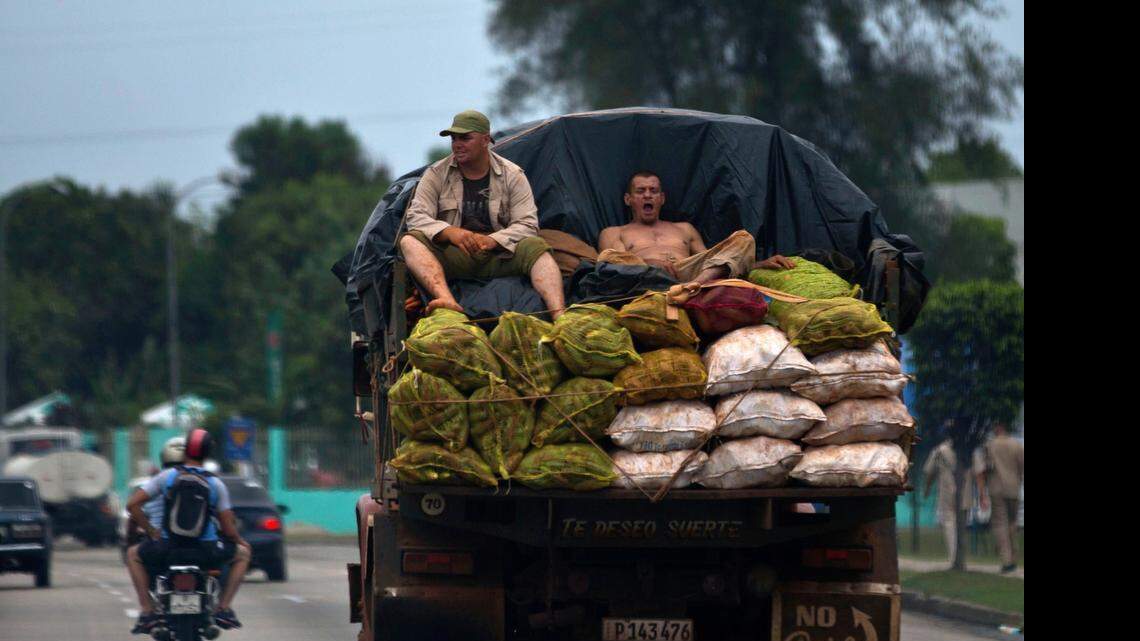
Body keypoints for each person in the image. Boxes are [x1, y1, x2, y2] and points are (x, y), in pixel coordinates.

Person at [399, 109, 566, 318]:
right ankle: (447, 300)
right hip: (456, 255)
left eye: (465, 138)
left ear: (485, 140)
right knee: (409, 241)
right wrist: (450, 233)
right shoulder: (436, 174)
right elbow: (415, 217)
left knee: (537, 248)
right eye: (454, 139)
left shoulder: (512, 174)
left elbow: (528, 224)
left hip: (499, 255)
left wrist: (493, 241)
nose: (457, 144)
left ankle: (559, 314)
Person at [125, 429, 251, 634]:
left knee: (132, 554)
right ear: (207, 454)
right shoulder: (215, 483)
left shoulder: (166, 477)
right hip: (206, 551)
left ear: (186, 452)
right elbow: (228, 529)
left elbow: (132, 505)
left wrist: (151, 530)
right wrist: (240, 541)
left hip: (168, 548)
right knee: (244, 554)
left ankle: (147, 612)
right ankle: (224, 608)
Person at [596, 171, 795, 283]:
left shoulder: (684, 228)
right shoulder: (614, 232)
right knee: (607, 256)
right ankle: (693, 286)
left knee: (744, 238)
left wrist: (761, 264)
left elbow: (714, 261)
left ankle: (693, 286)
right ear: (628, 199)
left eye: (653, 191)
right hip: (645, 275)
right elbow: (612, 265)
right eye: (640, 191)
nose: (647, 195)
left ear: (662, 198)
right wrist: (649, 262)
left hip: (691, 273)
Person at [975, 422, 1024, 574]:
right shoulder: (1017, 445)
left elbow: (981, 471)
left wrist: (982, 494)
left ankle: (1007, 560)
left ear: (996, 428)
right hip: (1014, 489)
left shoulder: (989, 446)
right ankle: (1014, 556)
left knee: (1000, 524)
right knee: (1012, 523)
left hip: (996, 489)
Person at [922, 436, 973, 561]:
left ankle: (954, 555)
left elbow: (929, 472)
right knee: (962, 524)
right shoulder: (967, 448)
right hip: (965, 491)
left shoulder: (939, 450)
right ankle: (960, 555)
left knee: (949, 523)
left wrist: (927, 488)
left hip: (946, 491)